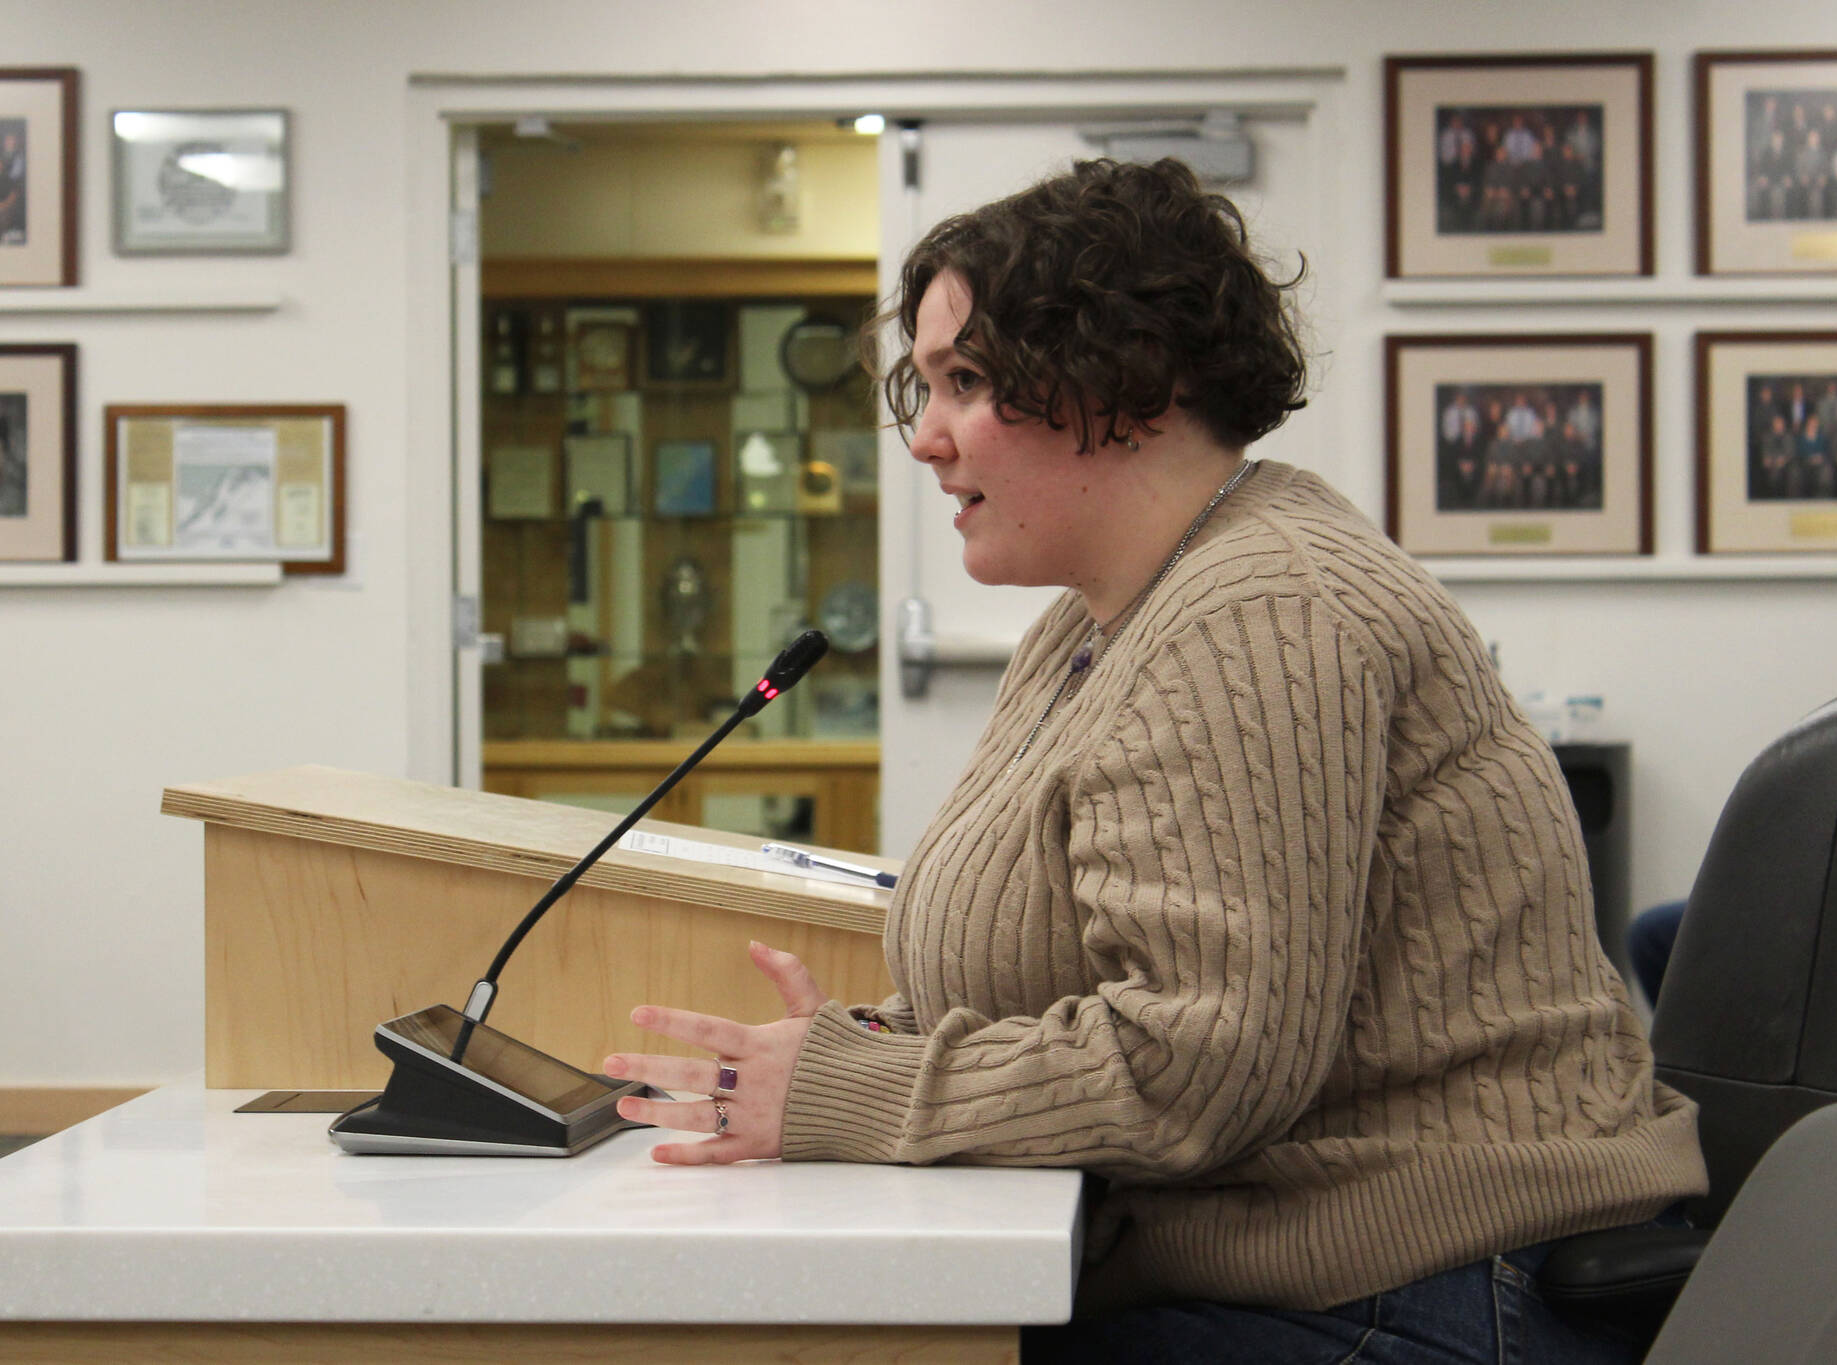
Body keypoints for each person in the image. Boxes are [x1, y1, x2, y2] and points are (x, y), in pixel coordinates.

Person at [598, 159, 1706, 1364]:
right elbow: (1081, 975)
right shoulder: (1099, 618)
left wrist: (852, 1094)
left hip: (1424, 1293)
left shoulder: (1264, 607)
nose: (922, 440)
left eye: (964, 383)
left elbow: (1193, 1069)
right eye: (922, 389)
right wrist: (872, 1054)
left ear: (1126, 382)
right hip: (1310, 1275)